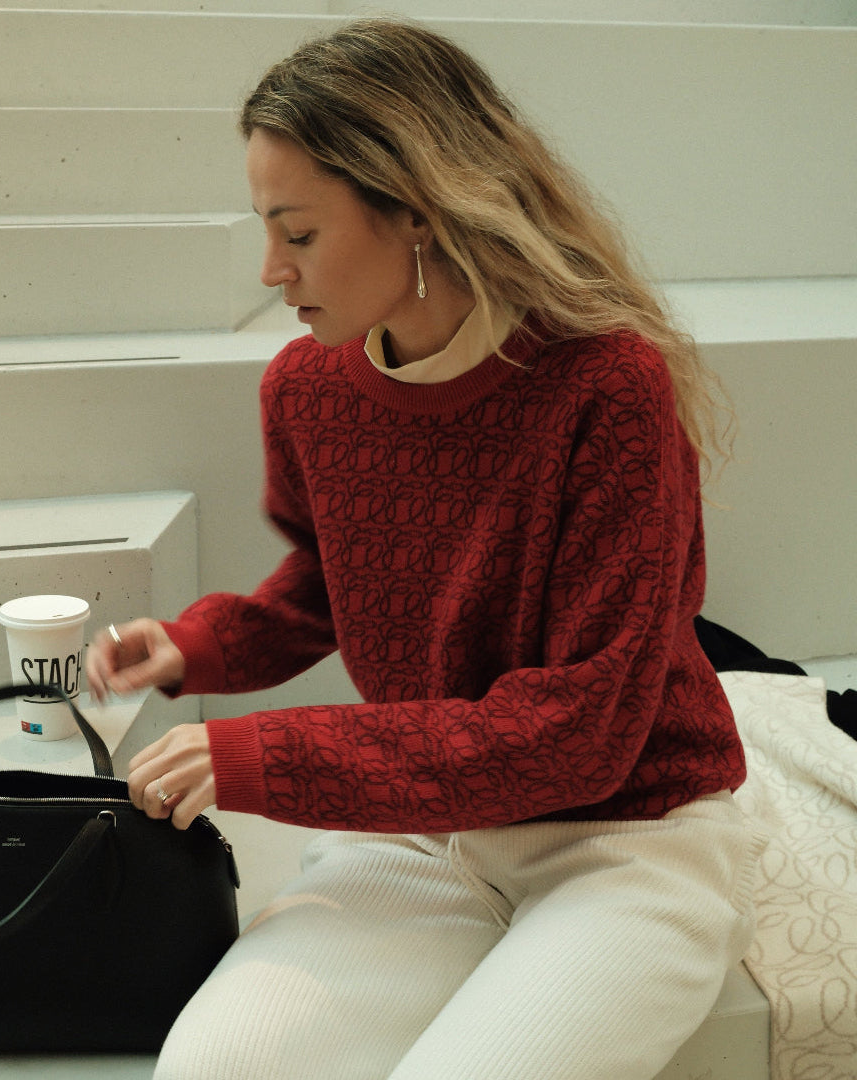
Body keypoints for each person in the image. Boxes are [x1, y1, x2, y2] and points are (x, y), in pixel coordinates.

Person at [85, 18, 764, 1080]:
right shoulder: (305, 389)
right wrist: (197, 647)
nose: (271, 269)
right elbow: (327, 581)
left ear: (419, 210)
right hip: (419, 832)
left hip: (625, 835)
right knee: (211, 1072)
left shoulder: (606, 388)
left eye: (297, 232)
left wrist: (269, 757)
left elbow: (581, 731)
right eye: (264, 228)